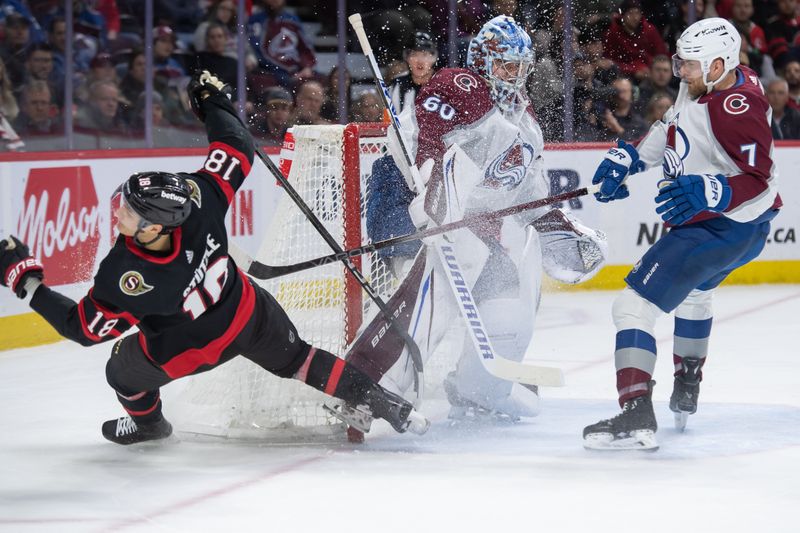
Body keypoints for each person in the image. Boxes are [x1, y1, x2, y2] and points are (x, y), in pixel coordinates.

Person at [0, 70, 427, 445]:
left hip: (196, 346)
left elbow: (84, 330)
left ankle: (149, 426)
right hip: (247, 310)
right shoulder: (199, 198)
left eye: (129, 211)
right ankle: (388, 403)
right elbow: (237, 145)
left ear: (154, 229)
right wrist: (214, 102)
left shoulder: (127, 274)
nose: (120, 212)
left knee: (120, 370)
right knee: (300, 360)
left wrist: (25, 280)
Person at [357, 16, 608, 420]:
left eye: (521, 67)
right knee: (459, 259)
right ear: (484, 62)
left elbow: (530, 198)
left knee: (506, 289)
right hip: (404, 202)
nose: (516, 75)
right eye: (508, 66)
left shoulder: (524, 124)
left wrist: (560, 230)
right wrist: (435, 204)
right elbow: (430, 147)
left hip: (459, 223)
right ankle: (371, 379)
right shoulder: (461, 85)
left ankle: (478, 387)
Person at [584, 18, 782, 450]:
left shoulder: (738, 106)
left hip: (718, 228)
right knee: (695, 295)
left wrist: (715, 190)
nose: (680, 71)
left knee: (632, 306)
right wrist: (631, 159)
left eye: (689, 64)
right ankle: (688, 381)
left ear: (718, 63)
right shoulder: (702, 83)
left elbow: (762, 182)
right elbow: (675, 125)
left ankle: (635, 407)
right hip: (741, 233)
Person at [389, 31, 438, 114]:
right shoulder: (396, 85)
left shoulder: (444, 85)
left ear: (434, 58)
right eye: (414, 54)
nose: (419, 61)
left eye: (425, 55)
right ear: (407, 58)